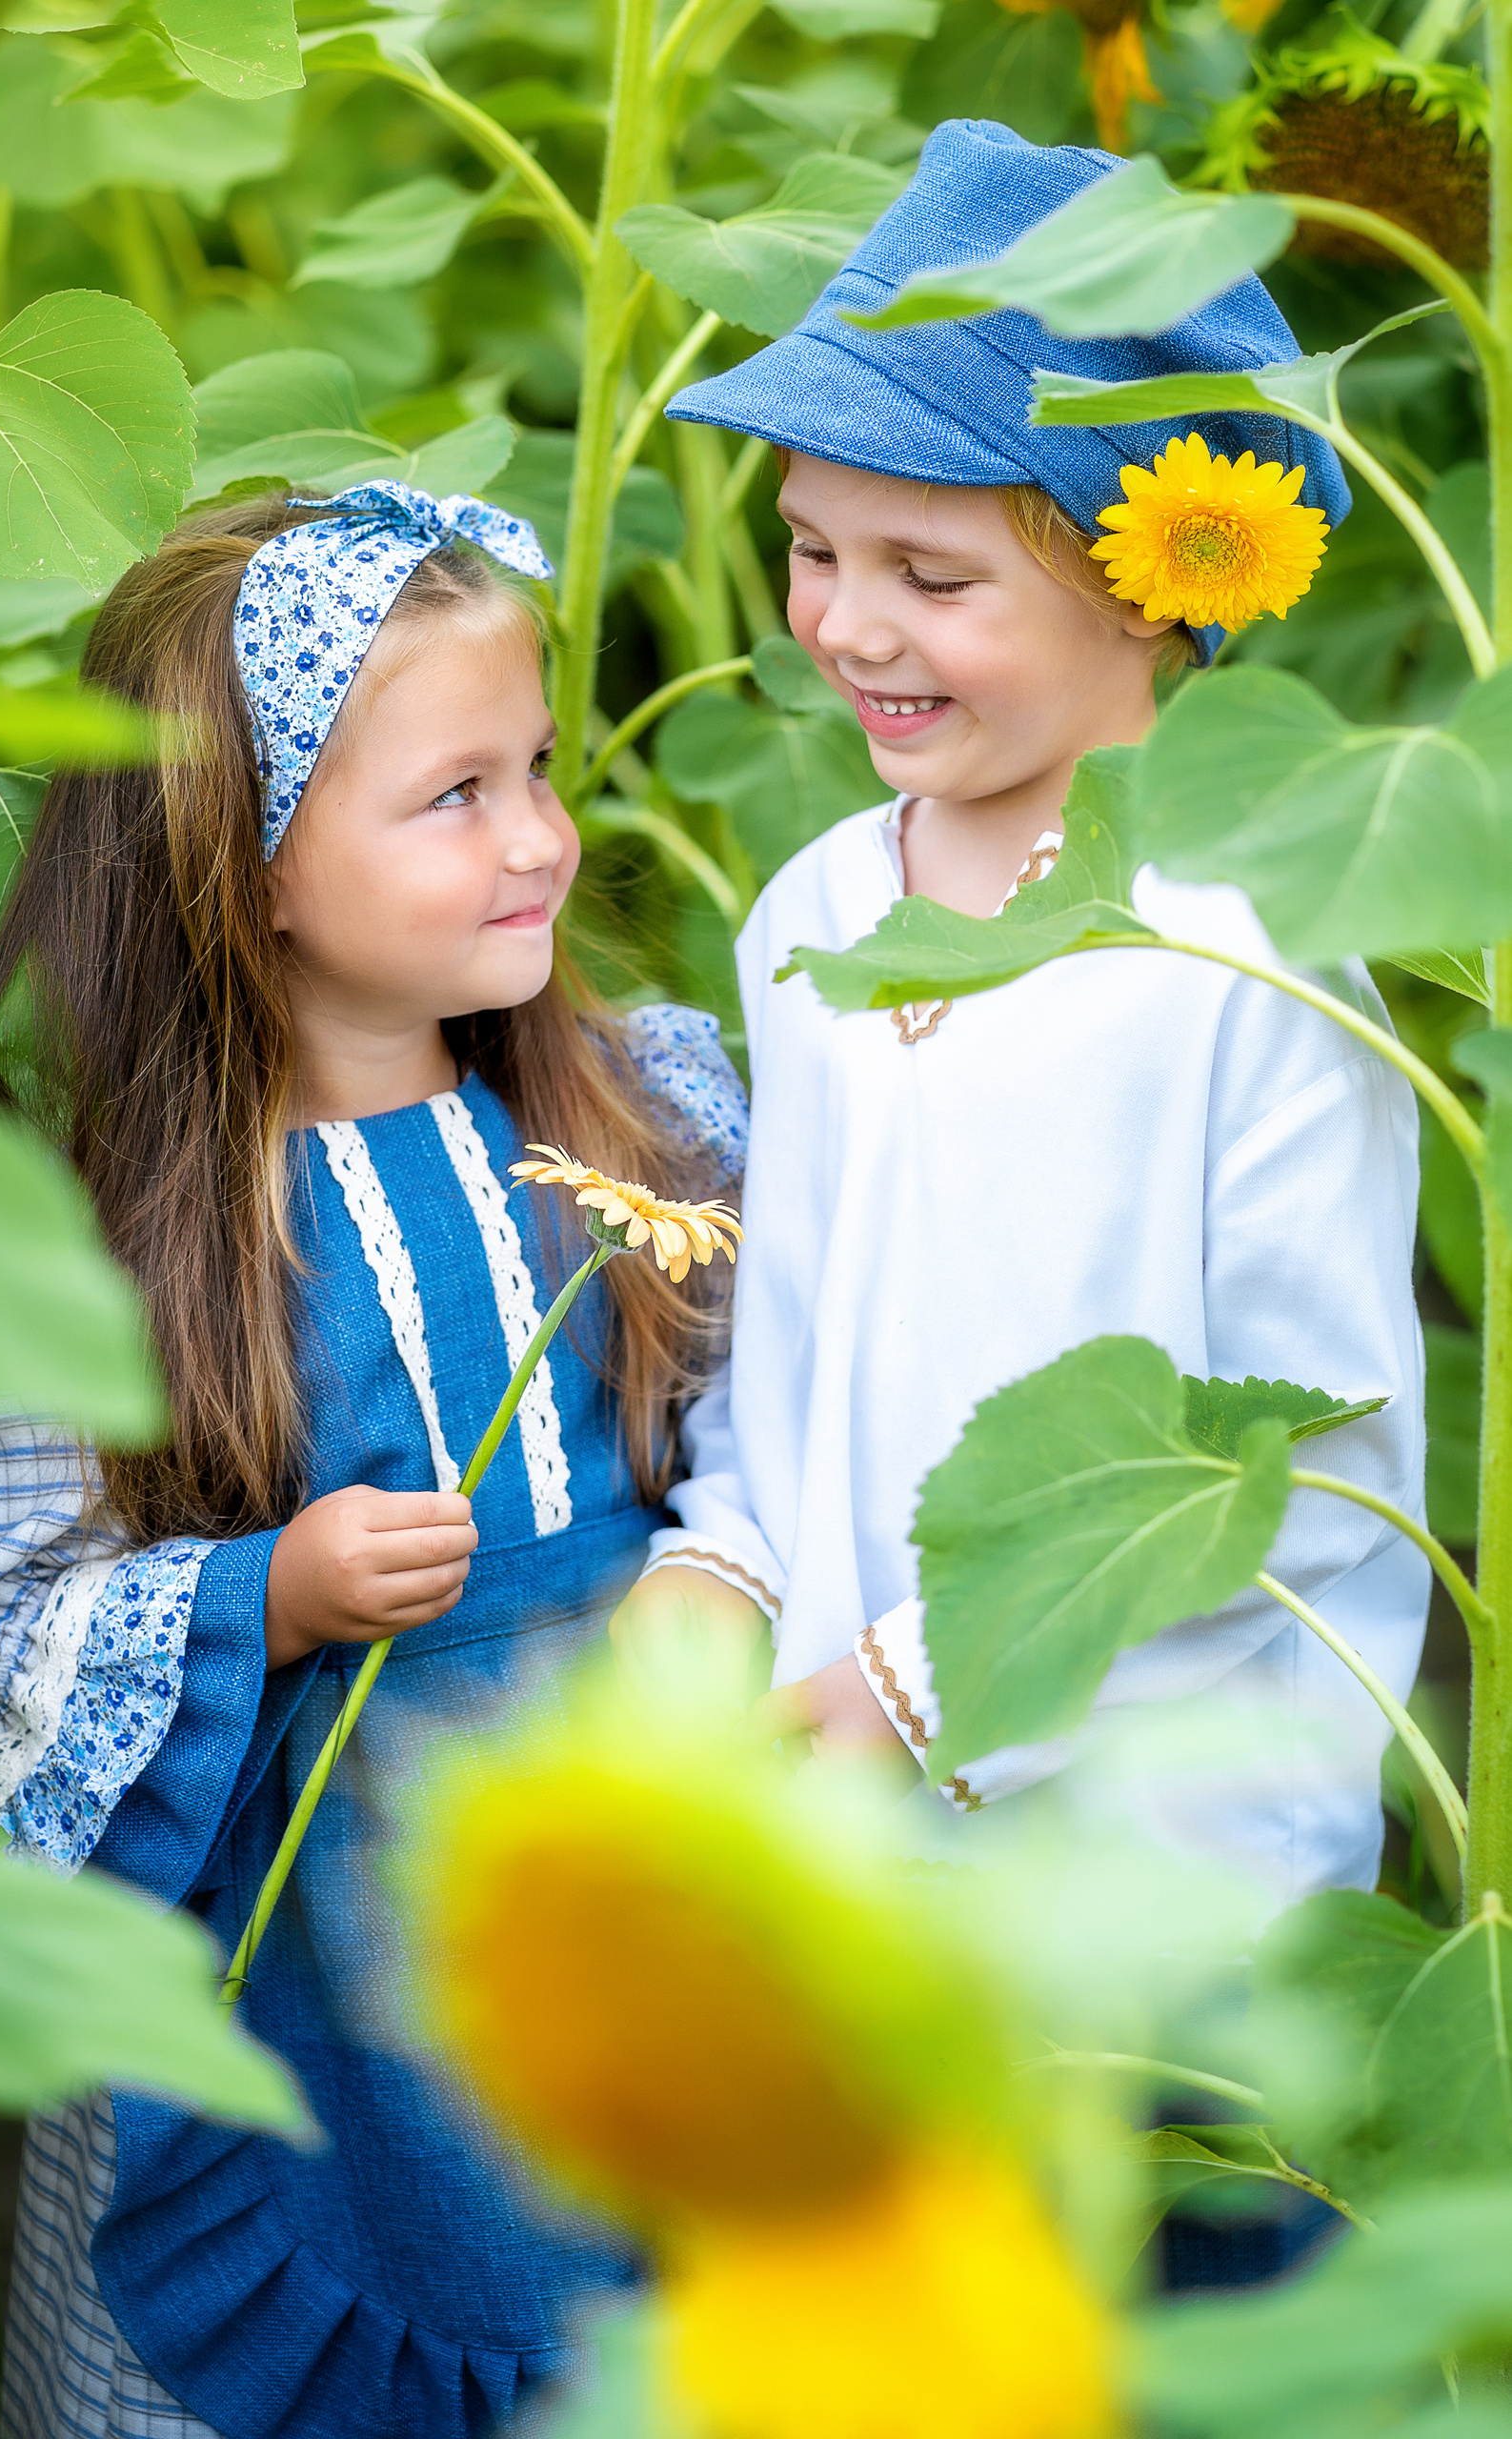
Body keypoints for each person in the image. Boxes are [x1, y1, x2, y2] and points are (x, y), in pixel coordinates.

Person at [0, 481, 746, 2438]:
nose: (540, 836)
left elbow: (773, 1448)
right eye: (454, 794)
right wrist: (257, 1591)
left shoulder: (646, 1125)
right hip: (313, 1940)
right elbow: (7, 1608)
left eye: (536, 769)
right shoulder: (120, 1250)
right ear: (252, 855)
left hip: (614, 1883)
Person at [610, 121, 1429, 1927]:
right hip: (857, 1846)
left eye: (932, 574)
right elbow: (800, 1352)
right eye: (815, 549)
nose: (843, 624)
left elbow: (1296, 1479)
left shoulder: (1255, 955)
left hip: (1167, 1890)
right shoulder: (819, 909)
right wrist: (730, 1569)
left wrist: (923, 1689)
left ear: (1148, 577)